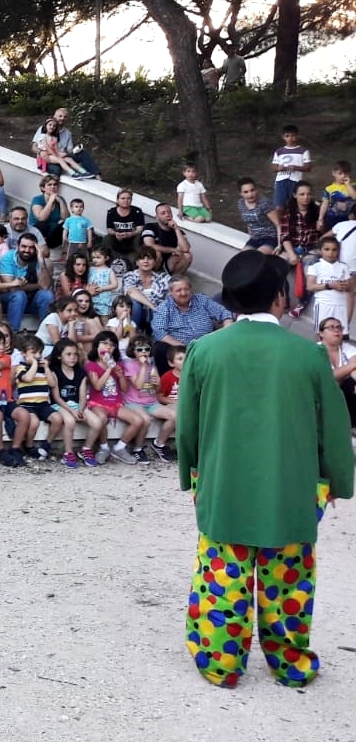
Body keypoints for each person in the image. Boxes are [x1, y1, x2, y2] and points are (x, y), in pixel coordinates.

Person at [176, 250, 354, 688]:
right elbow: (333, 427)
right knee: (288, 584)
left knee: (222, 580)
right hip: (290, 489)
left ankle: (221, 664)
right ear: (279, 297)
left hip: (223, 485)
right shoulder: (308, 355)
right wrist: (336, 481)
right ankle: (291, 663)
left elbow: (188, 427)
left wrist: (193, 476)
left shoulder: (204, 350)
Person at [270, 123, 312, 213]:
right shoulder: (279, 151)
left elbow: (308, 167)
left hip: (295, 180)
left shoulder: (303, 151)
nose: (290, 138)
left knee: (293, 205)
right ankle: (279, 225)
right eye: (287, 136)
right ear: (283, 137)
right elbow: (273, 166)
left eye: (293, 136)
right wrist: (278, 168)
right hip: (281, 180)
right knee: (278, 207)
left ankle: (293, 224)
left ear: (297, 136)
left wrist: (296, 167)